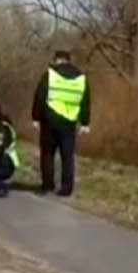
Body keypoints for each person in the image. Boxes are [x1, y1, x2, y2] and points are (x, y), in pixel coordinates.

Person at [31, 50, 90, 197]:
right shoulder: (81, 78)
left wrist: (36, 118)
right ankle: (66, 188)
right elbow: (85, 101)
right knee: (67, 156)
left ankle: (48, 185)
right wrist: (85, 122)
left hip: (50, 119)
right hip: (69, 122)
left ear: (57, 60)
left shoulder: (50, 75)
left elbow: (40, 96)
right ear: (69, 60)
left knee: (48, 153)